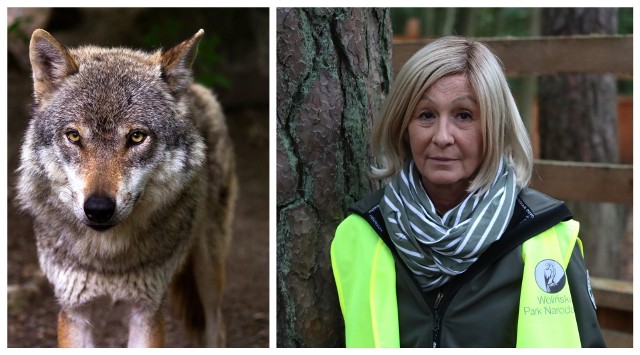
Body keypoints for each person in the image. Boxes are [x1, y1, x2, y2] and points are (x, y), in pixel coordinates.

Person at [330, 36, 606, 348]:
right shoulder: (363, 233)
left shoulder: (545, 236)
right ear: (403, 126)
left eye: (463, 115)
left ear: (494, 126)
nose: (442, 136)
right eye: (426, 115)